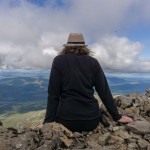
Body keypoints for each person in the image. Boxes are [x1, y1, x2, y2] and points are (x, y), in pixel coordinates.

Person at [38, 33, 133, 132]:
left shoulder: (58, 61)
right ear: (84, 47)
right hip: (91, 121)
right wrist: (117, 116)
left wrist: (47, 122)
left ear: (67, 46)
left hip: (66, 121)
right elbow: (104, 92)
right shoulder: (93, 62)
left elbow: (53, 94)